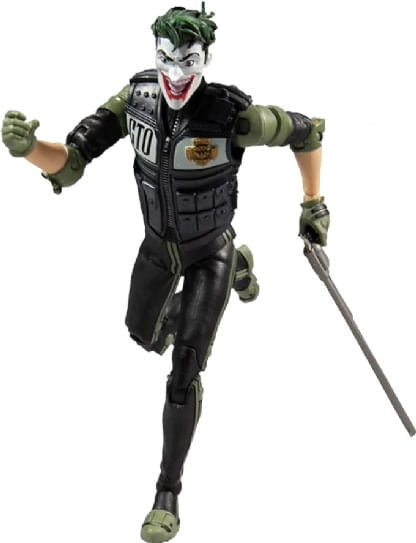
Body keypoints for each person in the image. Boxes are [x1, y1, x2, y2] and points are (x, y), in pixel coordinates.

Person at [2, 4, 329, 542]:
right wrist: (29, 150)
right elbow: (74, 162)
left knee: (183, 374)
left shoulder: (234, 116)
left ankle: (167, 491)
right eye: (166, 59)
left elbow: (308, 132)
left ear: (205, 59)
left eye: (189, 60)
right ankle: (242, 267)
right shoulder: (135, 99)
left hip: (208, 251)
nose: (176, 73)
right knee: (144, 335)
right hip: (158, 249)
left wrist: (313, 204)